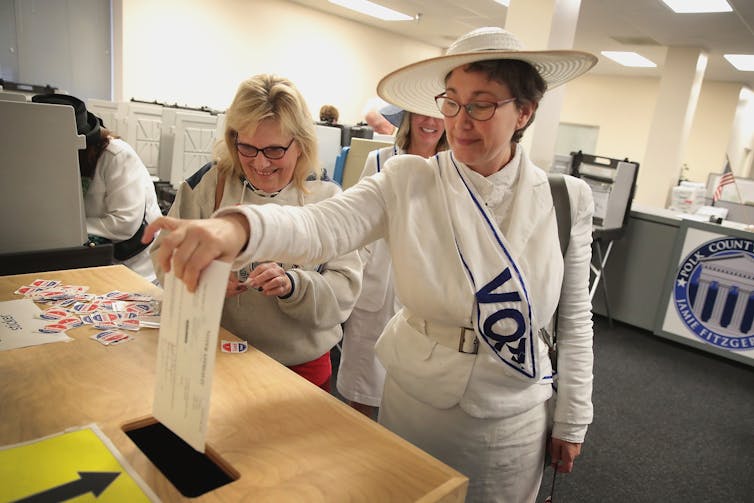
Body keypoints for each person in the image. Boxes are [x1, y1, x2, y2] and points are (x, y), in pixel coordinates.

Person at [145, 27, 597, 502]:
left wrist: (573, 416)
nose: (460, 121)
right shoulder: (409, 178)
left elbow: (574, 320)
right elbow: (321, 226)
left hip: (513, 412)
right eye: (452, 102)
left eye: (481, 104)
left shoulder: (566, 199)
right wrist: (235, 229)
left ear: (524, 111)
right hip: (418, 399)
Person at [149, 74, 362, 391]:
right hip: (217, 352)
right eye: (247, 147)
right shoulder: (209, 185)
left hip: (299, 367)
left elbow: (344, 292)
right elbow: (165, 257)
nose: (260, 163)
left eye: (275, 150)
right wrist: (206, 280)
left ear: (301, 144)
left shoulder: (327, 196)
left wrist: (294, 287)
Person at [337, 104, 447, 418]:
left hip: (425, 294)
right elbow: (357, 226)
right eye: (423, 112)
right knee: (363, 394)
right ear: (408, 119)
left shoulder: (451, 168)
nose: (430, 121)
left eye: (439, 114)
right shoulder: (380, 161)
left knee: (411, 402)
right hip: (378, 291)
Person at [32, 93, 162, 282]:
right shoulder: (56, 162)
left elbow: (125, 223)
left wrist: (67, 229)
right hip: (98, 260)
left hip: (136, 267)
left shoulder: (116, 155)